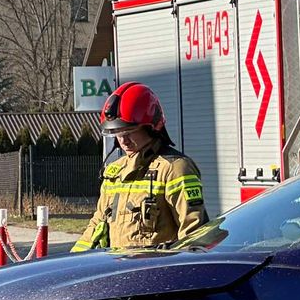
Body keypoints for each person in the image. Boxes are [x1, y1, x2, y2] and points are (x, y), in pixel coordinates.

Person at [72, 82, 208, 252]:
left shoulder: (175, 169)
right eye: (117, 133)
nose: (122, 140)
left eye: (128, 131)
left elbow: (193, 234)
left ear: (150, 128)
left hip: (157, 272)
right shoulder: (114, 172)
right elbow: (96, 224)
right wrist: (71, 264)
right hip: (118, 270)